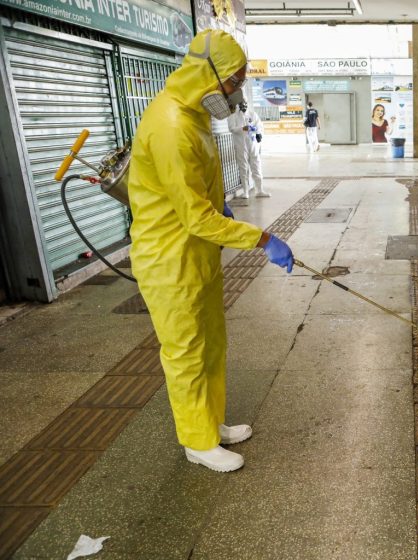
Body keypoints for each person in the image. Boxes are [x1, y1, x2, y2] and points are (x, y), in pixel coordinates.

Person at [127, 29, 295, 473]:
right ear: (208, 74)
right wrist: (262, 239)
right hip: (170, 260)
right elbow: (195, 218)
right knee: (184, 353)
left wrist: (219, 201)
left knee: (211, 345)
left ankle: (211, 421)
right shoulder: (170, 127)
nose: (237, 90)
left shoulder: (195, 115)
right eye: (234, 81)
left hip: (198, 256)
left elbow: (200, 196)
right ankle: (196, 441)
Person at [227, 100, 269, 198]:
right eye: (241, 105)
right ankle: (245, 191)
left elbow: (259, 125)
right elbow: (232, 129)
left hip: (252, 143)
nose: (244, 106)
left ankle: (260, 190)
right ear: (237, 106)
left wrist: (258, 133)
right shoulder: (233, 117)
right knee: (243, 167)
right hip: (241, 145)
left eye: (245, 104)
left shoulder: (252, 114)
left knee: (256, 165)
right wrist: (243, 128)